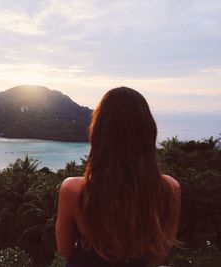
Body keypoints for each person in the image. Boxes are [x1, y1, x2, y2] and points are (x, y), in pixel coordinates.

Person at [56, 87, 181, 267]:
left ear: (99, 132)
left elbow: (65, 250)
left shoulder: (74, 190)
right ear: (148, 132)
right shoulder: (170, 189)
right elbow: (159, 253)